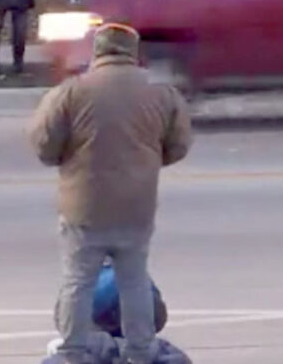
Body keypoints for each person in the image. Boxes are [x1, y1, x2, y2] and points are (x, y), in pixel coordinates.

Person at [28, 23, 193, 364]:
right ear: (133, 52)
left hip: (83, 206)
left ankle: (73, 351)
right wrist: (148, 162)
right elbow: (178, 145)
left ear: (97, 52)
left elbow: (44, 146)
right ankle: (140, 351)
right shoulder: (161, 94)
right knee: (133, 279)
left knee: (78, 279)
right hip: (136, 206)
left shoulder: (71, 92)